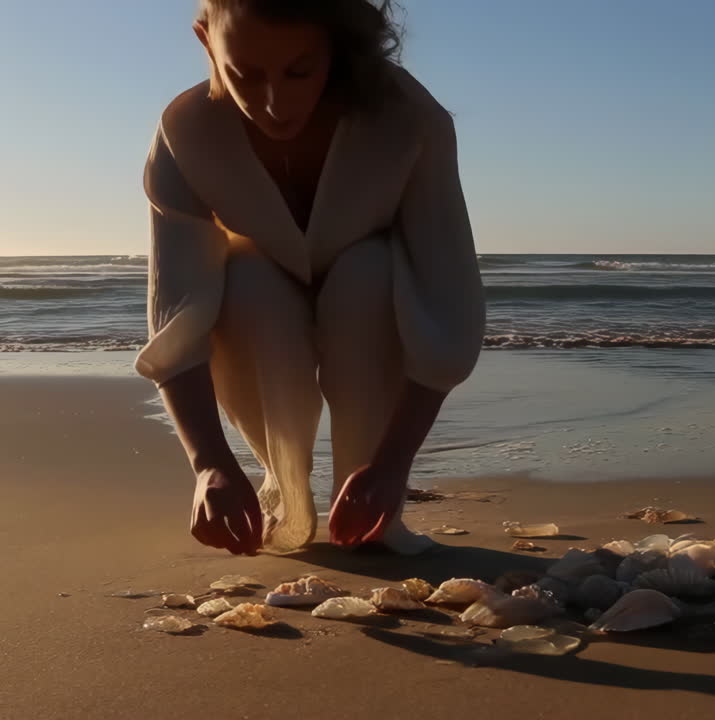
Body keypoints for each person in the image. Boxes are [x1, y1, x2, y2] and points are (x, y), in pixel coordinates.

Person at [135, 0, 485, 557]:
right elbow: (179, 312)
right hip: (259, 299)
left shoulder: (410, 121)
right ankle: (285, 498)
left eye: (299, 71)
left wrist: (392, 466)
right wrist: (209, 464)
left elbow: (448, 304)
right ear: (207, 42)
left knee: (366, 273)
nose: (273, 103)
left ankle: (372, 500)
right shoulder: (187, 131)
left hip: (369, 291)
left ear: (337, 46)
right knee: (248, 280)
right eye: (244, 74)